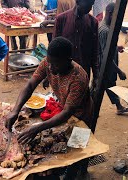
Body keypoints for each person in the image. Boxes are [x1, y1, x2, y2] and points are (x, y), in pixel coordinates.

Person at [5, 37, 93, 179]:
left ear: (68, 60)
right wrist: (15, 110)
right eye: (50, 63)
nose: (50, 68)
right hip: (64, 108)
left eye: (56, 65)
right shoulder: (49, 62)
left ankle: (76, 173)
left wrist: (37, 128)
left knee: (75, 152)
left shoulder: (78, 78)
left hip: (80, 116)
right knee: (55, 150)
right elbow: (30, 85)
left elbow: (67, 113)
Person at [54, 0, 99, 90]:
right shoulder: (61, 19)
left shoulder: (93, 22)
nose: (90, 8)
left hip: (83, 72)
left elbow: (95, 50)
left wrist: (96, 75)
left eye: (92, 5)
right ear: (78, 1)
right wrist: (50, 73)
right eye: (88, 4)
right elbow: (54, 49)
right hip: (64, 71)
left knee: (80, 100)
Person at [98, 3, 128, 115]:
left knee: (109, 85)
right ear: (110, 13)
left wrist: (116, 48)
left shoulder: (106, 26)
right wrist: (119, 71)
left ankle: (119, 107)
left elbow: (107, 48)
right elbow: (105, 56)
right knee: (103, 86)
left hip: (108, 66)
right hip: (106, 66)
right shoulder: (105, 30)